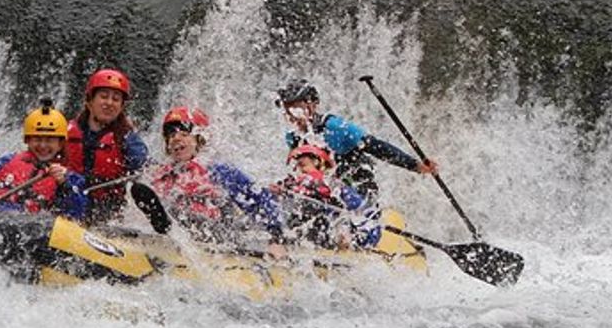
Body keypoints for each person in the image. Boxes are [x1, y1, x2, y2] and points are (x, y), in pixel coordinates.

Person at [149, 106, 286, 259]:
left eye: (184, 134)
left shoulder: (218, 171)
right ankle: (164, 226)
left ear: (199, 140)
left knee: (182, 212)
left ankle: (168, 225)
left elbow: (262, 201)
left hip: (216, 234)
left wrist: (276, 240)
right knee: (168, 205)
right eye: (171, 134)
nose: (176, 138)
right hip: (180, 234)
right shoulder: (163, 175)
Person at [275, 80, 437, 204]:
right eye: (287, 111)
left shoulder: (335, 127)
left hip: (358, 186)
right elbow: (303, 171)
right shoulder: (294, 137)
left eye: (295, 109)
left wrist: (415, 165)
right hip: (329, 189)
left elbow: (377, 147)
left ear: (312, 105)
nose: (291, 116)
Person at [0, 99, 89, 220]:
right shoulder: (6, 161)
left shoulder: (70, 179)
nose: (43, 145)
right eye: (37, 139)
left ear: (60, 144)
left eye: (49, 140)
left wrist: (64, 184)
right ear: (27, 140)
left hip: (28, 231)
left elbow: (76, 215)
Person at [65, 68, 149, 225]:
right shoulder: (67, 132)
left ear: (122, 107)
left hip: (106, 212)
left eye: (116, 99)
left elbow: (144, 165)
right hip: (69, 202)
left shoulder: (126, 138)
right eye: (103, 97)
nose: (109, 103)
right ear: (90, 101)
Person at [271, 142, 381, 250]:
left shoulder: (333, 185)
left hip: (326, 233)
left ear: (319, 163)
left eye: (303, 165)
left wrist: (355, 239)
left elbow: (367, 213)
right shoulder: (288, 183)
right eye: (296, 167)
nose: (299, 171)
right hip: (298, 230)